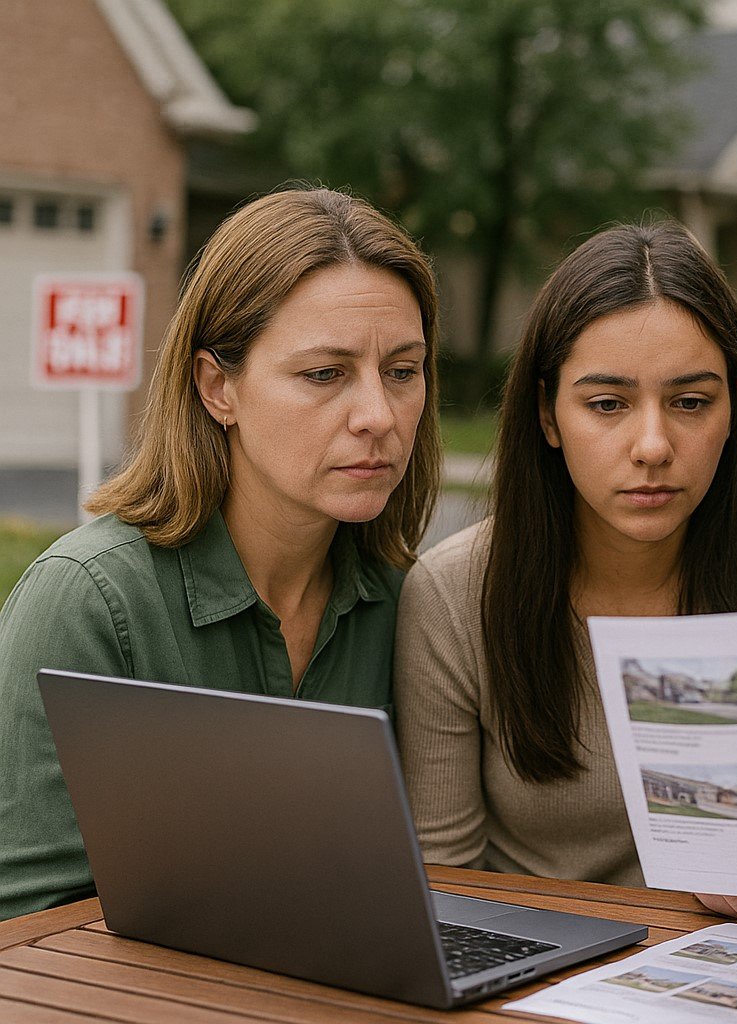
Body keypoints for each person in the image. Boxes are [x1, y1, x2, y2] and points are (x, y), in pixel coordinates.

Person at [0, 188, 442, 921]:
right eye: (324, 374)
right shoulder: (87, 601)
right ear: (217, 388)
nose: (379, 417)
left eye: (403, 370)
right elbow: (23, 934)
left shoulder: (406, 600)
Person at [393, 222, 737, 919]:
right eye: (607, 404)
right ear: (547, 413)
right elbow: (445, 881)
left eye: (691, 402)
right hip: (519, 970)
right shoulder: (453, 595)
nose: (653, 445)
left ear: (734, 410)